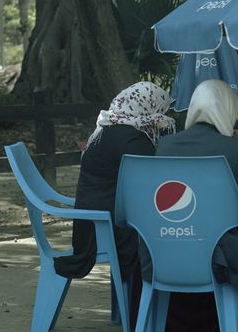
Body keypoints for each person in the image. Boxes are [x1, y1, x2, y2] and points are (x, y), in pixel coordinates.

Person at [149, 79, 238, 332]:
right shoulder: (233, 149)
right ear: (228, 110)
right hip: (222, 259)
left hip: (164, 250)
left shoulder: (164, 147)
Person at [54, 81, 175, 285]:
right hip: (107, 222)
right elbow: (155, 179)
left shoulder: (108, 128)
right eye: (160, 110)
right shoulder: (133, 139)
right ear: (148, 107)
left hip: (93, 215)